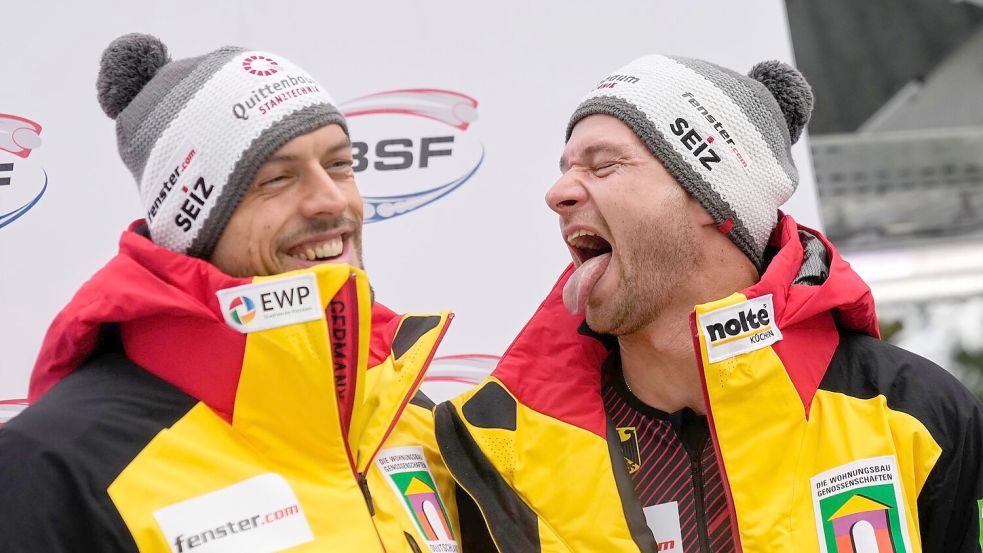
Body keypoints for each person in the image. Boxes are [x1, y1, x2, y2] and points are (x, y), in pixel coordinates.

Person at [435, 54, 983, 552]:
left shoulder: (910, 413)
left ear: (710, 198)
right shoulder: (500, 445)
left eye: (603, 166)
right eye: (565, 170)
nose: (558, 194)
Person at [0, 33, 471, 553]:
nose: (330, 199)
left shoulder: (405, 411)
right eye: (276, 178)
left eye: (340, 164)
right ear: (195, 225)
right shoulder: (57, 463)